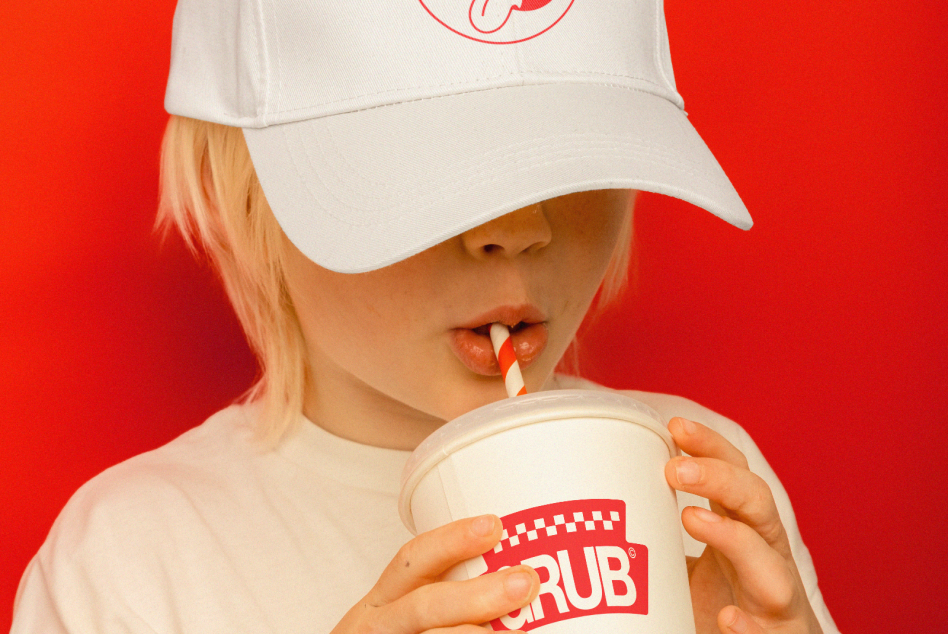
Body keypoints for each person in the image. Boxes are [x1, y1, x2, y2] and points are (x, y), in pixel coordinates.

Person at [11, 1, 840, 633]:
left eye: (570, 154)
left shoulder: (707, 495)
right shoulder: (128, 565)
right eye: (431, 173)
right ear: (243, 194)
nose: (517, 227)